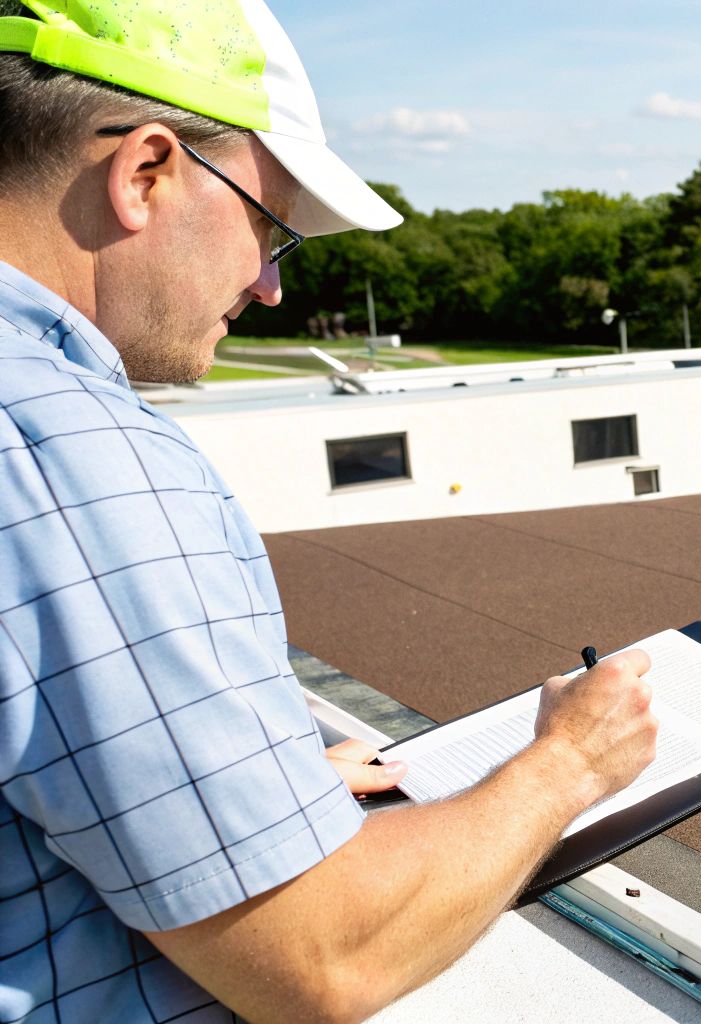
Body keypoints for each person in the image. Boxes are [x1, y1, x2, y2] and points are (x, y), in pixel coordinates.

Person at [0, 2, 659, 1020]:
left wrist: (252, 776)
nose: (267, 285)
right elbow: (320, 957)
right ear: (145, 174)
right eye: (272, 227)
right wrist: (567, 763)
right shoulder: (74, 451)